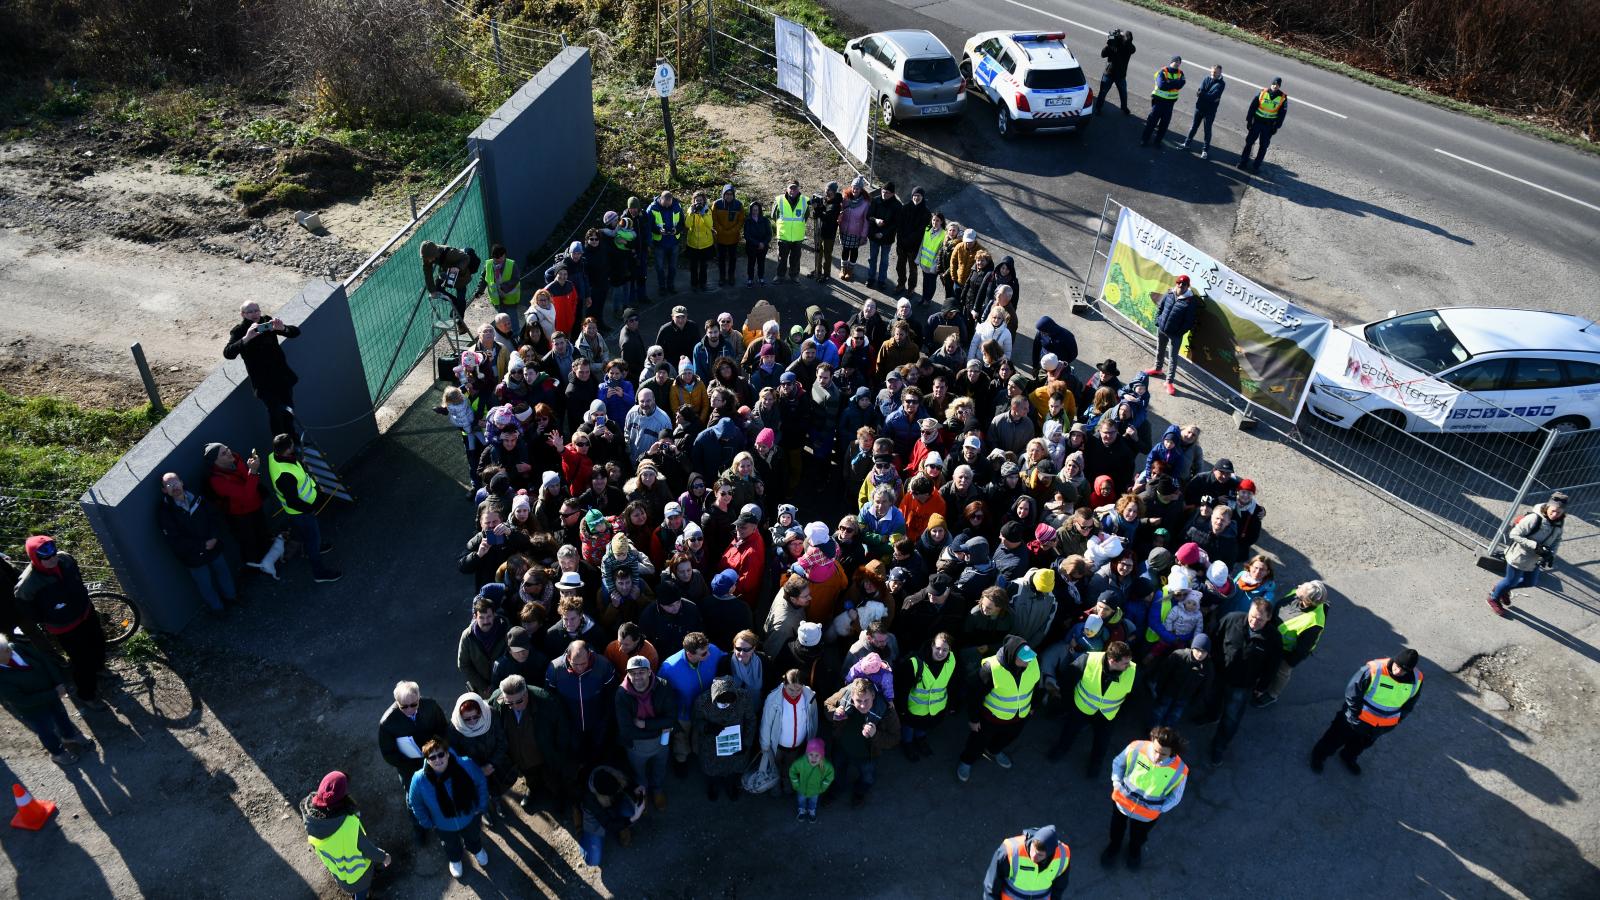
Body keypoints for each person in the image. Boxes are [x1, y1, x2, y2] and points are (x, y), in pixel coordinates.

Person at [12, 536, 108, 710]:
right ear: (35, 558)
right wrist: (52, 616)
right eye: (46, 557)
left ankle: (99, 668)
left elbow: (77, 577)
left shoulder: (65, 559)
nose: (52, 559)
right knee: (81, 661)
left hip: (85, 612)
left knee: (98, 642)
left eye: (54, 553)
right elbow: (28, 610)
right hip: (65, 627)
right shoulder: (28, 584)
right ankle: (87, 695)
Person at [1312, 649, 1423, 775]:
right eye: (1397, 667)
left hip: (1379, 726)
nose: (1398, 672)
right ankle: (1319, 755)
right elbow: (1352, 693)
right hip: (1356, 718)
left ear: (1410, 670)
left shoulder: (1417, 679)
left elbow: (1410, 703)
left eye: (1404, 670)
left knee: (1359, 746)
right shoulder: (1375, 670)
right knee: (1335, 737)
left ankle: (1348, 757)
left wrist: (1397, 720)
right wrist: (1354, 715)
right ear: (1394, 660)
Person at [1204, 598, 1281, 765]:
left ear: (1268, 618)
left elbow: (1272, 666)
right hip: (1220, 674)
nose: (1254, 622)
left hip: (1242, 685)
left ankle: (1219, 746)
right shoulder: (1232, 619)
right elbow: (1216, 637)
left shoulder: (1273, 638)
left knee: (1231, 718)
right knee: (1212, 698)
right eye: (1252, 616)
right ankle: (1210, 716)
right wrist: (1213, 660)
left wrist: (1262, 686)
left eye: (1260, 619)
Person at [0, 633, 96, 766]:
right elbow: (23, 700)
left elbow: (44, 661)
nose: (9, 650)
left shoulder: (16, 647)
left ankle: (69, 736)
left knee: (61, 715)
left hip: (52, 693)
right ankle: (57, 753)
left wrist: (58, 682)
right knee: (45, 730)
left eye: (7, 647)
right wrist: (54, 693)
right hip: (33, 709)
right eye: (5, 651)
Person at [1047, 642, 1138, 776]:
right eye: (1125, 663)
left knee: (1102, 742)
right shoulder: (1087, 660)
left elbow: (1132, 698)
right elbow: (1068, 681)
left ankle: (1095, 764)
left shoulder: (1132, 671)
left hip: (1107, 715)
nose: (1128, 666)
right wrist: (1069, 704)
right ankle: (1060, 750)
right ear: (1112, 660)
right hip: (1082, 708)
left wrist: (1120, 714)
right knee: (1069, 732)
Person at [1103, 726, 1188, 870]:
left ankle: (1134, 852)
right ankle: (1114, 846)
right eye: (1155, 750)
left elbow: (1176, 796)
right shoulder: (1136, 747)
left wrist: (1161, 808)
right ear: (1153, 740)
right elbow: (1118, 763)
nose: (1156, 757)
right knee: (1116, 828)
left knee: (1139, 837)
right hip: (1122, 802)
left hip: (1147, 815)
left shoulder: (1180, 770)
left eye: (1162, 754)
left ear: (1173, 752)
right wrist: (1117, 784)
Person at [957, 635, 1038, 783]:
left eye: (1030, 657)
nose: (1029, 661)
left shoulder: (1032, 662)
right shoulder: (991, 669)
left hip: (1019, 717)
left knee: (1008, 738)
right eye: (1024, 658)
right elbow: (974, 695)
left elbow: (1036, 685)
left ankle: (994, 750)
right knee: (977, 743)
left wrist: (1033, 705)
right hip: (991, 719)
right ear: (1012, 656)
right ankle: (966, 761)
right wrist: (974, 720)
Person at [490, 673, 574, 815]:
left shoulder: (547, 702)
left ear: (527, 693)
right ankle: (534, 790)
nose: (514, 707)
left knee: (554, 779)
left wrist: (559, 753)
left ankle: (559, 800)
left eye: (519, 702)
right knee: (531, 777)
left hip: (545, 756)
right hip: (520, 757)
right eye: (509, 703)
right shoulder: (498, 700)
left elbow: (563, 730)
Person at [407, 737, 490, 879]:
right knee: (450, 844)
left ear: (447, 753)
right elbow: (415, 803)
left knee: (473, 836)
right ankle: (455, 859)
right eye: (432, 757)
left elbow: (481, 782)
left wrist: (481, 806)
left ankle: (476, 849)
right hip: (443, 825)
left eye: (441, 754)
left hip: (469, 816)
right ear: (427, 759)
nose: (437, 760)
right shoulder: (419, 779)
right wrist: (426, 822)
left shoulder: (466, 764)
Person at [157, 472, 236, 617]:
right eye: (169, 484)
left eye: (175, 482)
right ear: (164, 490)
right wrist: (202, 545)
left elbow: (214, 517)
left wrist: (213, 538)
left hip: (213, 546)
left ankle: (232, 598)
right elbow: (175, 540)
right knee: (205, 584)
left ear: (182, 482)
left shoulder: (198, 498)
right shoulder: (165, 513)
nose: (174, 486)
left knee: (223, 573)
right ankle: (218, 609)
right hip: (193, 555)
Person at [266, 432, 342, 582]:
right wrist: (311, 507)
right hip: (301, 512)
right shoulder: (285, 475)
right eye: (292, 445)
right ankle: (319, 573)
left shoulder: (273, 457)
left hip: (300, 511)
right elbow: (293, 501)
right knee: (313, 539)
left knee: (310, 537)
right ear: (288, 449)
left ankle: (312, 548)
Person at [302, 771, 390, 900]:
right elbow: (368, 850)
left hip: (339, 875)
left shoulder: (311, 822)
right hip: (359, 877)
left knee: (355, 892)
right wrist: (384, 857)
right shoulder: (348, 825)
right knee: (361, 895)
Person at [223, 300, 302, 437]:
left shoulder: (267, 321)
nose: (254, 314)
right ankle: (281, 447)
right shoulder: (240, 330)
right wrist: (246, 338)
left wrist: (282, 329)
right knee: (275, 414)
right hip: (264, 383)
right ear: (243, 314)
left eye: (256, 310)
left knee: (288, 411)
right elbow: (228, 353)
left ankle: (293, 441)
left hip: (282, 377)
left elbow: (295, 332)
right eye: (250, 312)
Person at [615, 654, 679, 811]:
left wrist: (644, 724)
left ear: (650, 672)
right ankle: (643, 793)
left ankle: (657, 789)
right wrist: (658, 727)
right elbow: (627, 729)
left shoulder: (663, 686)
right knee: (639, 772)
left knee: (660, 767)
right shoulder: (622, 694)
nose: (637, 677)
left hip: (661, 741)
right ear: (628, 674)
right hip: (636, 745)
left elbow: (671, 719)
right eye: (633, 673)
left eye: (641, 672)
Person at [1488, 490, 1566, 617]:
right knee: (1511, 581)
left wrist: (1552, 554)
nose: (1555, 514)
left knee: (1530, 582)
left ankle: (1502, 589)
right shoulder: (1534, 518)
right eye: (1553, 510)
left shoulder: (1559, 522)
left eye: (1559, 512)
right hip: (1519, 557)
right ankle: (1493, 598)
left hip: (1535, 560)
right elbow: (1513, 534)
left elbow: (1557, 539)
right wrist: (1535, 545)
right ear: (1548, 506)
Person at [204, 442, 278, 573]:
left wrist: (251, 469)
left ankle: (270, 561)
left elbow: (247, 480)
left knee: (263, 535)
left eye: (227, 449)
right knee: (249, 544)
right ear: (216, 462)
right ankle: (255, 569)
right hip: (241, 516)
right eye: (223, 453)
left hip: (256, 506)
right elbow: (246, 495)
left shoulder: (235, 458)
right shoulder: (217, 481)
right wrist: (253, 471)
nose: (229, 453)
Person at [823, 676, 896, 806]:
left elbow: (895, 737)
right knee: (838, 771)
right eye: (858, 700)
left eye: (866, 700)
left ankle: (860, 792)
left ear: (873, 695)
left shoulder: (886, 709)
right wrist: (834, 713)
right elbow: (827, 704)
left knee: (867, 777)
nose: (862, 705)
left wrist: (875, 735)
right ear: (852, 695)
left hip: (867, 756)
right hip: (841, 749)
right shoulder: (845, 693)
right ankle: (838, 788)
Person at [1256, 579, 1327, 707]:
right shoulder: (1296, 594)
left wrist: (1289, 662)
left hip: (1287, 651)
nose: (1298, 586)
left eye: (1302, 588)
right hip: (1273, 640)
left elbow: (1301, 650)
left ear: (1307, 600)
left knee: (1282, 672)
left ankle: (1272, 694)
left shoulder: (1314, 622)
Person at [692, 675, 757, 800]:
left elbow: (751, 720)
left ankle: (730, 784)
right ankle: (713, 785)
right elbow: (696, 720)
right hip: (711, 744)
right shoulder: (703, 701)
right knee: (711, 770)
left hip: (736, 742)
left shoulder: (743, 698)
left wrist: (747, 743)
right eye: (721, 701)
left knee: (734, 768)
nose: (724, 704)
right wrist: (707, 727)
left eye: (728, 701)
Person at [579, 765, 646, 866]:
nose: (619, 789)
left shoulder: (610, 771)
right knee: (592, 860)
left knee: (630, 813)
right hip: (596, 817)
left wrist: (636, 787)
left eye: (618, 788)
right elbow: (608, 824)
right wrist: (633, 818)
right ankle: (579, 825)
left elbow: (625, 783)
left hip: (614, 804)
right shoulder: (590, 798)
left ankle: (621, 826)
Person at [1144, 275, 1197, 397]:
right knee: (1160, 350)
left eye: (1184, 284)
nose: (1180, 285)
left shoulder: (1190, 301)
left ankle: (1169, 382)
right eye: (1179, 282)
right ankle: (1157, 368)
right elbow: (1160, 307)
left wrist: (1178, 333)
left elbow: (1189, 322)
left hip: (1175, 335)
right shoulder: (1169, 293)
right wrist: (1158, 321)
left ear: (1187, 286)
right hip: (1162, 330)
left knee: (1173, 358)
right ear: (1176, 283)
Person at [985, 824, 1070, 899]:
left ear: (1050, 854)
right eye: (1033, 850)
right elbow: (992, 887)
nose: (1033, 856)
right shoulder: (1010, 851)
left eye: (1040, 855)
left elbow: (1059, 888)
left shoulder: (1063, 856)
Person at [421, 240, 480, 334]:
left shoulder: (450, 252)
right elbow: (427, 273)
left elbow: (466, 258)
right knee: (438, 289)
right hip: (446, 273)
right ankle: (455, 304)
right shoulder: (427, 257)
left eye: (430, 258)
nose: (429, 261)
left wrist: (458, 267)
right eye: (427, 259)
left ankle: (460, 323)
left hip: (461, 275)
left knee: (461, 296)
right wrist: (432, 291)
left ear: (435, 253)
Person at [1238, 77, 1289, 173]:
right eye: (1274, 84)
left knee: (1263, 146)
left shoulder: (1283, 98)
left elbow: (1282, 114)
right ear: (1271, 84)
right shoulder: (1262, 92)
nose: (1275, 86)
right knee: (1249, 142)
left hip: (1268, 126)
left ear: (1279, 86)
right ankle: (1243, 162)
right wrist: (1249, 120)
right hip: (1257, 122)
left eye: (1277, 85)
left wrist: (1276, 126)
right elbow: (1253, 106)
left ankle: (1256, 166)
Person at [1140, 56, 1186, 147]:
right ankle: (1144, 139)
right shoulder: (1163, 71)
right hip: (1158, 102)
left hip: (1170, 104)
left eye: (1179, 62)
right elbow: (1162, 85)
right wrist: (1175, 83)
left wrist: (1169, 82)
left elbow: (1181, 85)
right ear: (1171, 62)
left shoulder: (1181, 73)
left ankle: (1157, 142)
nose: (1177, 63)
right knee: (1151, 122)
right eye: (1176, 61)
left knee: (1164, 125)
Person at [1181, 64, 1225, 158]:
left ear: (1220, 72)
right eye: (1212, 71)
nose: (1213, 73)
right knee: (1193, 127)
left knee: (1207, 130)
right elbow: (1200, 92)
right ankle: (1186, 143)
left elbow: (1213, 96)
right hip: (1199, 107)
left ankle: (1205, 150)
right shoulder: (1206, 79)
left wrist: (1203, 94)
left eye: (1216, 72)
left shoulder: (1221, 84)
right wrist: (1206, 95)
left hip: (1210, 111)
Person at [645, 190, 684, 295]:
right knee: (660, 267)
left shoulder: (677, 206)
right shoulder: (652, 208)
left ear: (671, 200)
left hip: (674, 242)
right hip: (659, 243)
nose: (667, 206)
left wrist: (677, 230)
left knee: (673, 267)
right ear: (660, 199)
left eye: (669, 203)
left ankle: (671, 285)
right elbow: (647, 226)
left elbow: (682, 223)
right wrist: (658, 231)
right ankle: (662, 287)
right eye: (665, 204)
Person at [789, 736, 835, 823]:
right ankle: (801, 810)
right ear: (807, 754)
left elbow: (830, 775)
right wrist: (796, 784)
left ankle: (811, 811)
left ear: (821, 755)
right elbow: (792, 771)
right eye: (811, 755)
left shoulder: (826, 766)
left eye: (817, 755)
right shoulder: (801, 762)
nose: (813, 758)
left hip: (816, 790)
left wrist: (823, 786)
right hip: (801, 789)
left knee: (813, 802)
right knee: (801, 800)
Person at [772, 179, 810, 283]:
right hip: (784, 236)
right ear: (787, 189)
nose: (793, 190)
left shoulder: (805, 201)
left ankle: (794, 277)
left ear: (798, 189)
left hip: (797, 237)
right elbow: (773, 216)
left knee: (795, 259)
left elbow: (806, 216)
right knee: (782, 259)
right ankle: (780, 276)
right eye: (791, 188)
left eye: (795, 188)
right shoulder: (779, 200)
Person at [481, 243, 524, 333]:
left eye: (501, 257)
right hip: (497, 301)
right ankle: (505, 337)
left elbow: (515, 279)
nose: (499, 260)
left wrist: (503, 287)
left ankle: (516, 337)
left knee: (512, 320)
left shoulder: (511, 264)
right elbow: (483, 278)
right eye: (496, 258)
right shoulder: (488, 265)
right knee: (501, 321)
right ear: (492, 257)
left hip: (510, 300)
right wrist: (479, 290)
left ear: (505, 255)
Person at [866, 182, 901, 290]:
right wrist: (876, 220)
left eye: (887, 193)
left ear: (893, 194)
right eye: (883, 192)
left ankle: (881, 281)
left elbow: (896, 223)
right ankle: (871, 278)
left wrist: (883, 233)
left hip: (887, 238)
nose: (884, 194)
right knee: (872, 258)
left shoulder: (897, 205)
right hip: (874, 235)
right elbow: (868, 216)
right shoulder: (875, 200)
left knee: (884, 261)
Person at [1095, 28, 1136, 115]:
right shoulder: (1113, 44)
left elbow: (1132, 48)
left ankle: (1124, 107)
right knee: (1103, 93)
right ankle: (1098, 108)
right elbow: (1103, 54)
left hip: (1120, 75)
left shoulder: (1129, 48)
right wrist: (1109, 45)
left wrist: (1119, 40)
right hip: (1109, 74)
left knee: (1123, 93)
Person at [711, 185, 745, 288]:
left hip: (733, 238)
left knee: (732, 259)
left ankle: (731, 277)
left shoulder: (739, 205)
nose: (729, 196)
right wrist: (721, 230)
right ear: (723, 194)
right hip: (720, 238)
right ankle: (722, 277)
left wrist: (732, 231)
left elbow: (741, 220)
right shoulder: (717, 204)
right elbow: (714, 219)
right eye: (727, 194)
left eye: (731, 194)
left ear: (733, 195)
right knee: (721, 259)